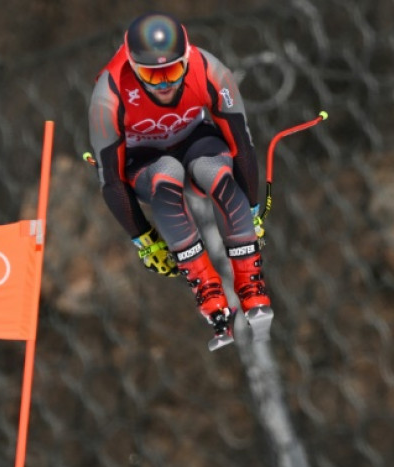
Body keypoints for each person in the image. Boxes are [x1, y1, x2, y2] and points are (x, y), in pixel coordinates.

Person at [87, 11, 271, 344]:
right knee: (166, 175)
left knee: (215, 172)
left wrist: (252, 208)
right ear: (132, 67)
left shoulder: (210, 71)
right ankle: (208, 290)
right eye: (152, 76)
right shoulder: (109, 94)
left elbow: (241, 145)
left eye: (172, 72)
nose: (165, 85)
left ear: (186, 59)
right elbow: (111, 180)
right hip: (145, 160)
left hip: (195, 142)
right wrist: (143, 240)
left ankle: (251, 284)